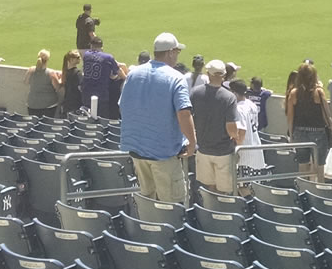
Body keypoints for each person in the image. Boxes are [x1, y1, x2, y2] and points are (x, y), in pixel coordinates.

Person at [119, 32, 195, 203]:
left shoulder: (133, 74)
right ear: (170, 52)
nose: (177, 56)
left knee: (148, 202)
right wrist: (192, 142)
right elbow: (184, 113)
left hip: (137, 151)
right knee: (172, 207)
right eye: (177, 52)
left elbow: (123, 106)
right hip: (164, 153)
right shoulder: (176, 77)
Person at [190, 60, 244, 192]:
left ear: (208, 73)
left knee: (210, 188)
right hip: (223, 151)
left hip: (203, 149)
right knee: (225, 190)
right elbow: (231, 126)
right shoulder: (229, 97)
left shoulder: (195, 93)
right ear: (224, 75)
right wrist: (236, 138)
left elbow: (188, 117)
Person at [285, 62, 332, 177]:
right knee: (319, 165)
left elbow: (290, 117)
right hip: (318, 132)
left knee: (303, 164)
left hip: (299, 132)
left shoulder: (294, 93)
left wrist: (291, 135)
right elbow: (327, 115)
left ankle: (303, 190)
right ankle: (319, 188)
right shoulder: (319, 92)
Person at [81, 34, 124, 118]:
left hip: (86, 92)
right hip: (101, 94)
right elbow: (118, 72)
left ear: (91, 46)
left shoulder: (86, 55)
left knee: (87, 118)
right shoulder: (108, 57)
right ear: (102, 47)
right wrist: (126, 78)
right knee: (101, 119)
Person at [24, 49, 63, 117]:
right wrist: (60, 79)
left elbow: (25, 82)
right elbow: (58, 87)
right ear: (47, 59)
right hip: (48, 106)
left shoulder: (30, 70)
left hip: (32, 104)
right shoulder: (51, 73)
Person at [60, 49, 84, 115]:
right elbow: (81, 88)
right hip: (75, 104)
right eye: (77, 57)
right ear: (71, 60)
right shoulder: (77, 73)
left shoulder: (66, 72)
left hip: (67, 103)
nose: (80, 59)